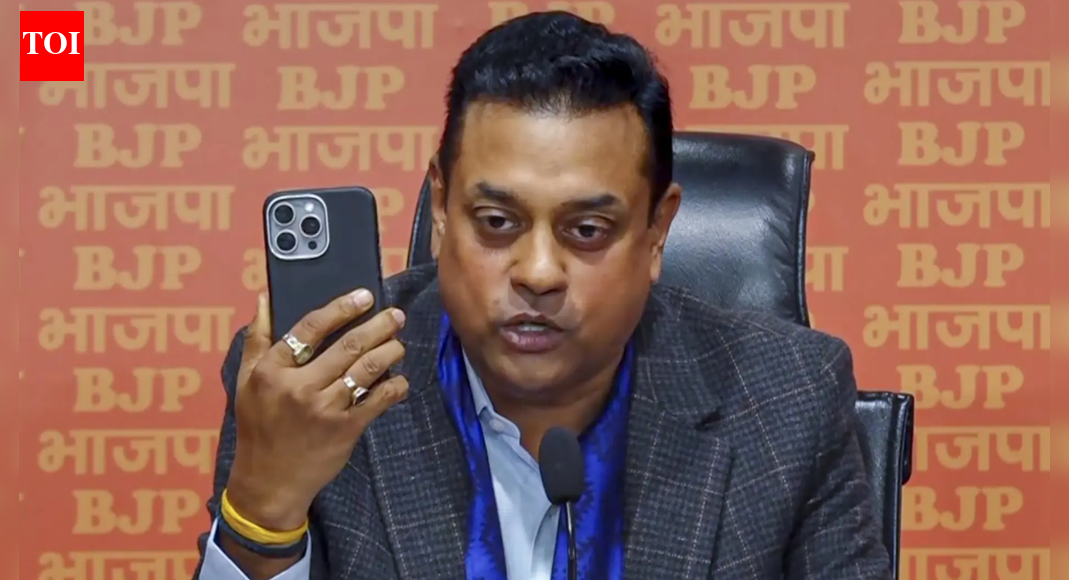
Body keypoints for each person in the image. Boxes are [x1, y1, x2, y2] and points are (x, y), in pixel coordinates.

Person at [193, 11, 892, 580]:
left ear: (656, 231)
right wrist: (264, 506)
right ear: (441, 209)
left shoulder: (786, 401)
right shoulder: (314, 389)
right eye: (497, 223)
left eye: (586, 230)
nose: (536, 272)